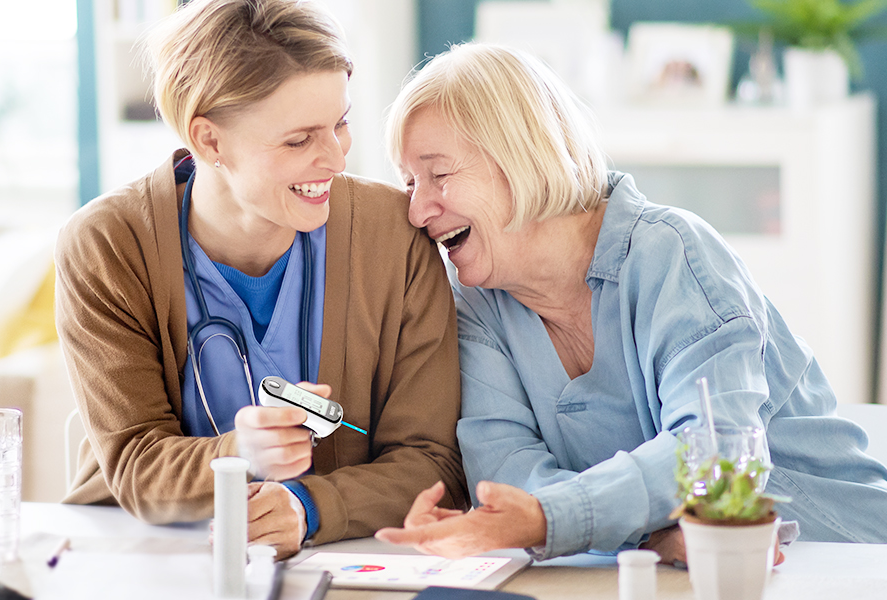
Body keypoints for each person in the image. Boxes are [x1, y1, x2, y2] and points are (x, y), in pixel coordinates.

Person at [375, 43, 887, 564]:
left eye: (438, 176)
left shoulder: (675, 253)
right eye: (410, 183)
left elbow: (713, 454)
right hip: (683, 568)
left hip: (839, 555)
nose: (417, 211)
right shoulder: (477, 301)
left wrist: (552, 520)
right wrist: (648, 535)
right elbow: (507, 474)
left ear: (520, 155)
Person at [53, 0, 467, 558]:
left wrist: (308, 506)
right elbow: (135, 461)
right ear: (210, 142)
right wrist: (237, 455)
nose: (336, 159)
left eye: (340, 124)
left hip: (335, 562)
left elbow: (431, 459)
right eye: (299, 140)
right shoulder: (107, 246)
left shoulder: (396, 236)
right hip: (145, 557)